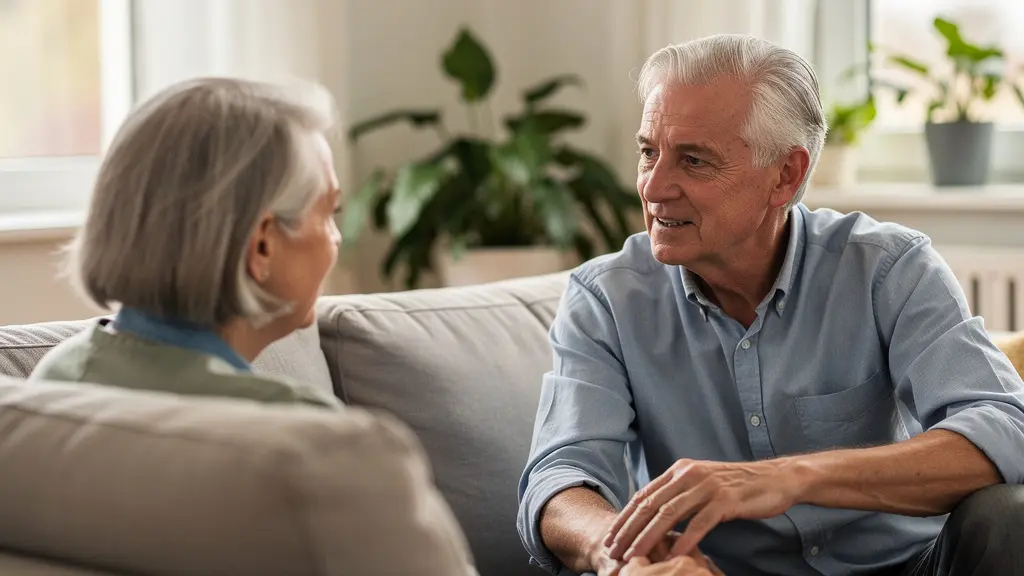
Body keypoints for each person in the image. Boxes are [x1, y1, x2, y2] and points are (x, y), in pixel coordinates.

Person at [517, 34, 1024, 576]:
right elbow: (562, 477)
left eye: (693, 160)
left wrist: (789, 478)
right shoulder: (606, 299)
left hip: (908, 566)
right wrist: (620, 555)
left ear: (784, 175)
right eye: (648, 152)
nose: (654, 186)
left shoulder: (887, 267)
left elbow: (1006, 426)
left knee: (1007, 515)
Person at [28, 77, 478, 575]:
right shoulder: (318, 443)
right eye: (328, 213)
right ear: (263, 244)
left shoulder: (53, 384)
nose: (335, 239)